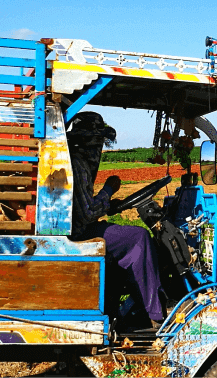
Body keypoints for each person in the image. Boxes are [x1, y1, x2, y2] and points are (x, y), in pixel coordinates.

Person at [66, 111, 165, 328]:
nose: (99, 148)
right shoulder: (78, 165)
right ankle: (155, 314)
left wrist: (109, 204)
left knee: (128, 236)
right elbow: (87, 213)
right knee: (139, 237)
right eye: (97, 142)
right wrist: (108, 190)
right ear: (87, 142)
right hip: (79, 233)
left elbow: (83, 206)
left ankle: (126, 306)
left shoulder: (77, 162)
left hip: (79, 228)